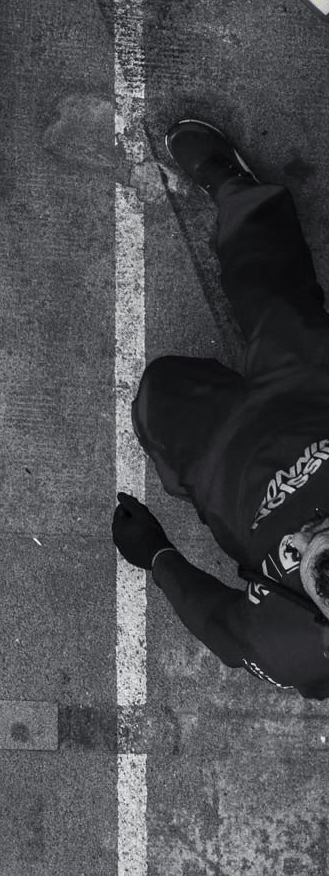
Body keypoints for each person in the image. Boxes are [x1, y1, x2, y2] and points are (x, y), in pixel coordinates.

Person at [115, 119, 329, 692]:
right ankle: (234, 185)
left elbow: (218, 621)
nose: (308, 533)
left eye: (310, 559)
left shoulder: (293, 653)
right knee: (276, 288)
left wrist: (157, 556)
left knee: (158, 394)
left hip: (231, 477)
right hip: (316, 398)